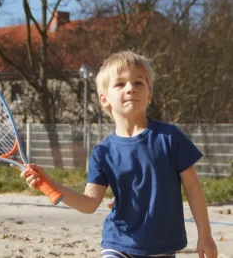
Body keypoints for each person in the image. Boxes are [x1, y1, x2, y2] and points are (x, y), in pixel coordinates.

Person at [20, 51, 218, 258]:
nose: (130, 88)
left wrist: (205, 235)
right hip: (118, 242)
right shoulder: (103, 153)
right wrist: (50, 184)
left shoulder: (170, 138)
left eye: (138, 83)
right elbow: (89, 204)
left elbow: (193, 188)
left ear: (149, 94)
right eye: (120, 84)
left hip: (162, 247)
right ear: (104, 99)